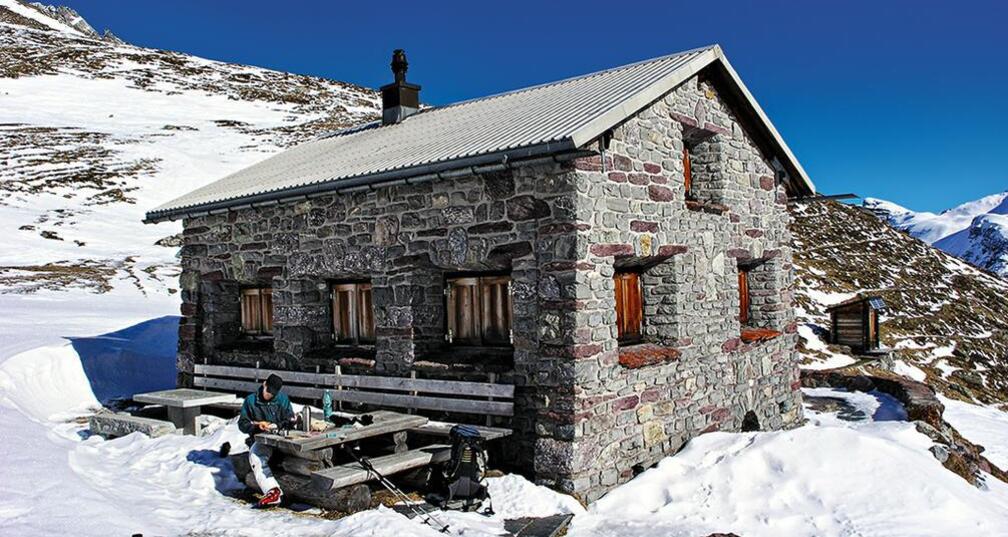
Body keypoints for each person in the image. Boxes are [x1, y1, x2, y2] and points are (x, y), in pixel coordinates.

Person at [238, 373, 296, 507]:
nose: (269, 395)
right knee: (255, 456)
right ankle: (272, 491)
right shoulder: (251, 401)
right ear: (264, 384)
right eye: (268, 391)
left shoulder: (282, 399)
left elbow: (290, 419)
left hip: (283, 439)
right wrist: (256, 426)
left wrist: (277, 425)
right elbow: (242, 424)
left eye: (273, 393)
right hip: (262, 440)